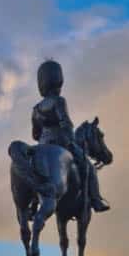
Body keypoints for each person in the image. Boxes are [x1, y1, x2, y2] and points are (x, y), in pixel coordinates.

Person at [31, 59, 109, 212]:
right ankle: (95, 200)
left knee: (33, 172)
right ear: (58, 81)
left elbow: (35, 134)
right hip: (61, 142)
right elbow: (65, 124)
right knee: (88, 166)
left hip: (42, 144)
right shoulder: (59, 101)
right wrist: (70, 138)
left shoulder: (36, 108)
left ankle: (33, 205)